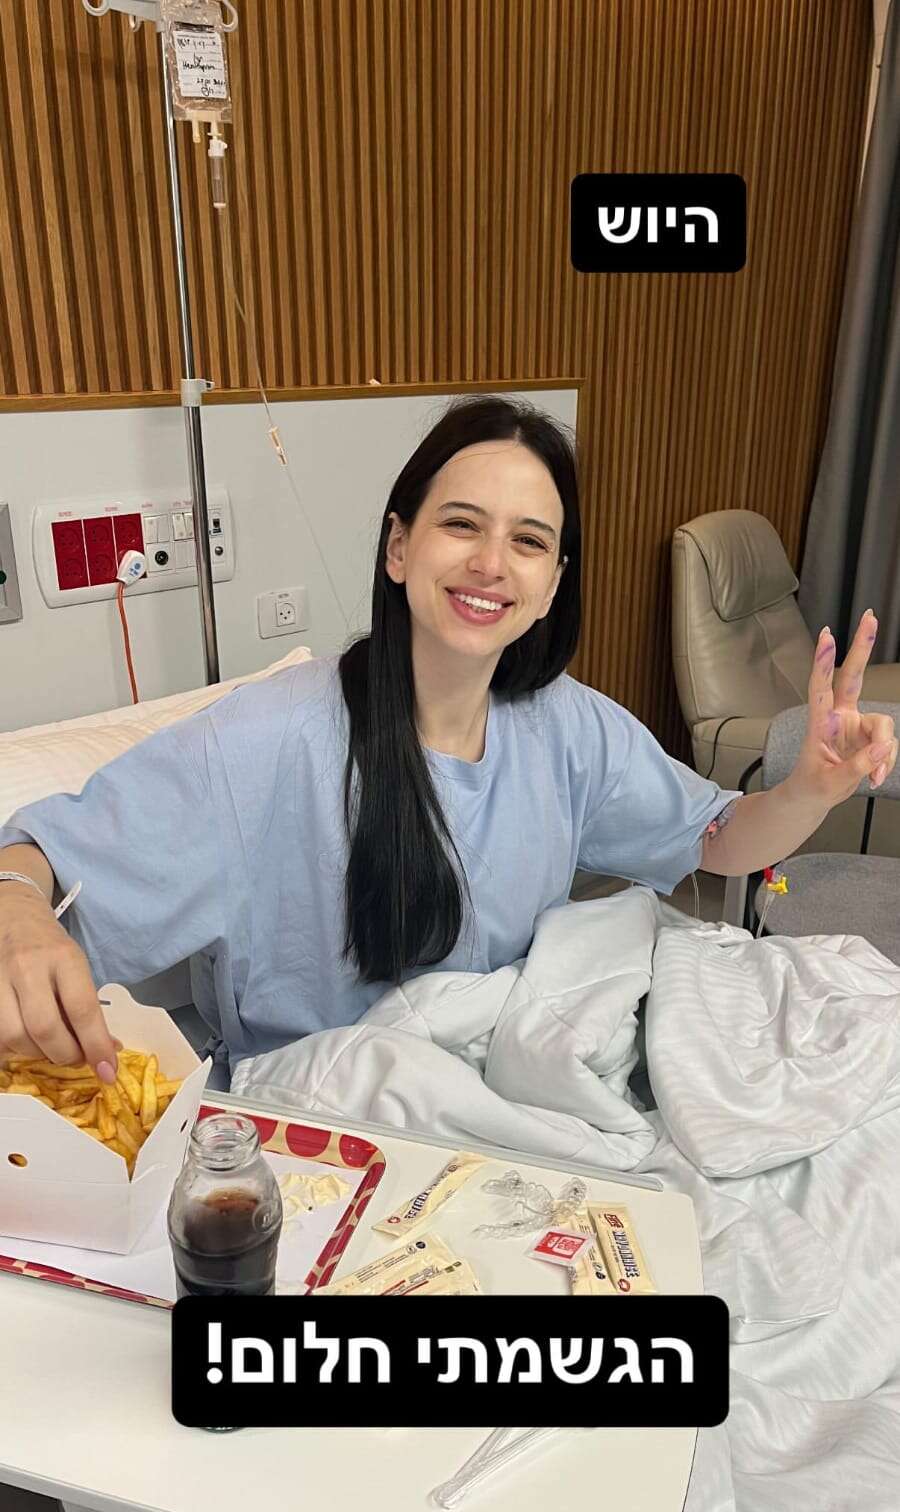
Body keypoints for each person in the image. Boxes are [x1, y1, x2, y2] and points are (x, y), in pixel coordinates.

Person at [0, 395, 896, 1083]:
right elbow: (37, 857)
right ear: (399, 547)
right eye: (461, 523)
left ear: (552, 585)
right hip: (323, 1125)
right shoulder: (267, 743)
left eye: (529, 541)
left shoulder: (567, 726)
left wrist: (810, 788)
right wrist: (17, 911)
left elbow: (718, 839)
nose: (490, 563)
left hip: (509, 1094)